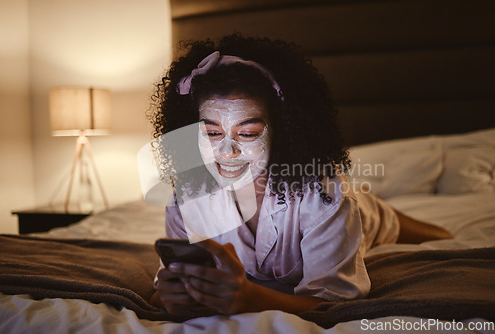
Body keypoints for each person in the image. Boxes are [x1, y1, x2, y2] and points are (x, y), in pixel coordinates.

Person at [147, 33, 452, 315]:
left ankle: (379, 207)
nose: (227, 152)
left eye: (249, 133)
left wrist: (250, 298)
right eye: (212, 132)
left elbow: (334, 300)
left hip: (368, 216)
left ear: (283, 131)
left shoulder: (324, 195)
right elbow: (165, 288)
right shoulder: (186, 198)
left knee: (442, 236)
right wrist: (168, 297)